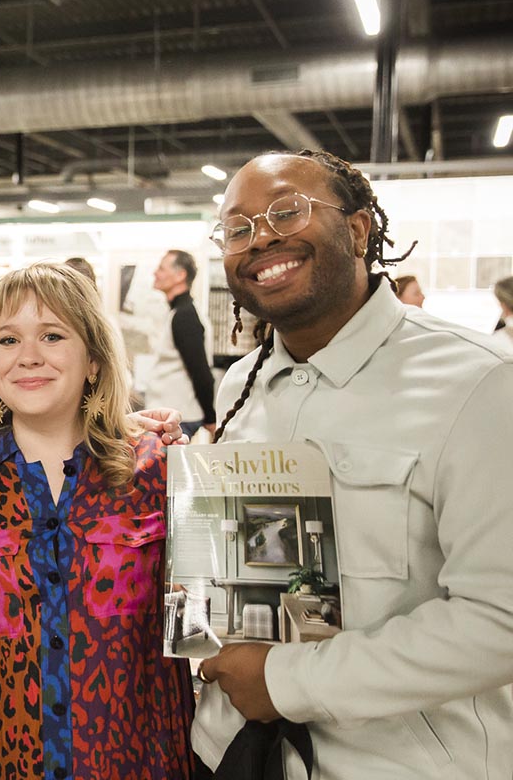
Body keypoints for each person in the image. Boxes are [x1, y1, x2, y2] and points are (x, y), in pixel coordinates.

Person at [194, 150, 513, 779]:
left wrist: (287, 682)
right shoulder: (241, 388)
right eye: (237, 228)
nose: (262, 239)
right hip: (230, 753)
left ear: (359, 230)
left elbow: (501, 619)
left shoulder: (478, 384)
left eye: (287, 211)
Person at [0, 262, 195, 780]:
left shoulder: (156, 467)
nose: (28, 356)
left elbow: (203, 616)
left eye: (52, 335)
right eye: (7, 340)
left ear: (95, 360)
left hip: (134, 759)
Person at [145, 249, 217, 439]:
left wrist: (211, 419)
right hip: (171, 415)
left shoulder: (185, 316)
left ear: (180, 275)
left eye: (161, 268)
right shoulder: (178, 312)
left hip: (176, 418)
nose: (155, 273)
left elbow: (200, 371)